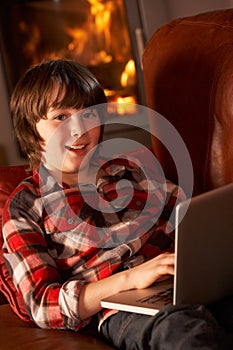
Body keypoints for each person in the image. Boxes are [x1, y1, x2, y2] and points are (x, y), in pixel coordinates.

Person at [2, 59, 232, 349]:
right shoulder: (25, 206)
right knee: (181, 333)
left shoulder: (128, 170)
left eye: (88, 115)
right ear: (31, 128)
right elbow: (41, 304)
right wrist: (131, 279)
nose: (79, 129)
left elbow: (189, 215)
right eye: (60, 117)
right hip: (123, 309)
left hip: (177, 285)